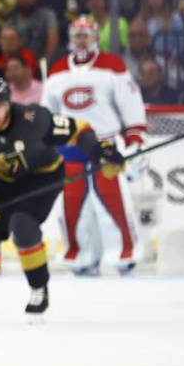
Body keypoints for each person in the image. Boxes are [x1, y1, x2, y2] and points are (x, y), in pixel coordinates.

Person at [0, 77, 122, 316]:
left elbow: (79, 128)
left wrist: (98, 151)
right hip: (5, 183)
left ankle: (39, 288)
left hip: (43, 178)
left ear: (8, 103)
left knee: (24, 225)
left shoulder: (34, 120)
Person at [40, 16, 148, 276]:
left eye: (85, 34)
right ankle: (80, 256)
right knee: (72, 205)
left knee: (112, 200)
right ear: (70, 37)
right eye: (77, 34)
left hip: (105, 146)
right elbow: (48, 113)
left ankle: (125, 253)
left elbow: (131, 106)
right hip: (70, 149)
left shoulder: (113, 66)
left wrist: (134, 139)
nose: (81, 39)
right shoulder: (56, 71)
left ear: (96, 37)